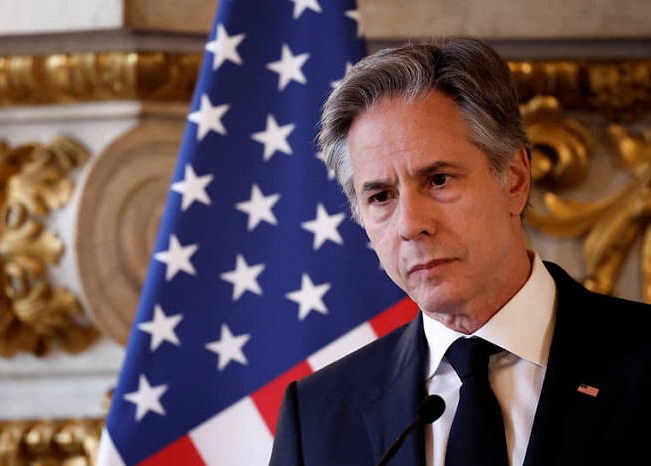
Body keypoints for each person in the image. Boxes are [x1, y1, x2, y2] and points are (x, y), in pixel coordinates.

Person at [269, 37, 651, 466]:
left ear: (514, 179)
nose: (411, 224)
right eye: (381, 196)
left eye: (438, 180)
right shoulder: (318, 415)